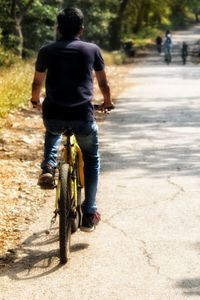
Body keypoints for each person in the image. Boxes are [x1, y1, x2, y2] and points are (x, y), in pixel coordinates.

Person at [30, 7, 114, 232]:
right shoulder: (92, 49)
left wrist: (35, 101)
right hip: (82, 116)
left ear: (58, 29)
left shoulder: (46, 50)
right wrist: (107, 102)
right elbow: (104, 84)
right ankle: (89, 213)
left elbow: (37, 83)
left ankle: (48, 164)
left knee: (53, 131)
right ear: (82, 29)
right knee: (92, 159)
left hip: (54, 114)